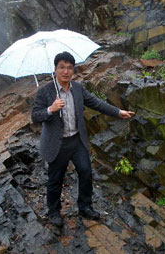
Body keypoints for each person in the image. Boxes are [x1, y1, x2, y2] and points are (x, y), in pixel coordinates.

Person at [32, 51, 135, 227]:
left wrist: (118, 112)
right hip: (57, 144)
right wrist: (51, 109)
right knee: (55, 179)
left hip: (76, 140)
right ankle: (54, 212)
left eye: (69, 68)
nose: (66, 71)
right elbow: (35, 116)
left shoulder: (78, 88)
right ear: (55, 69)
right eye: (62, 67)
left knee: (86, 172)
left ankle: (85, 206)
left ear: (73, 70)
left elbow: (96, 103)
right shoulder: (45, 92)